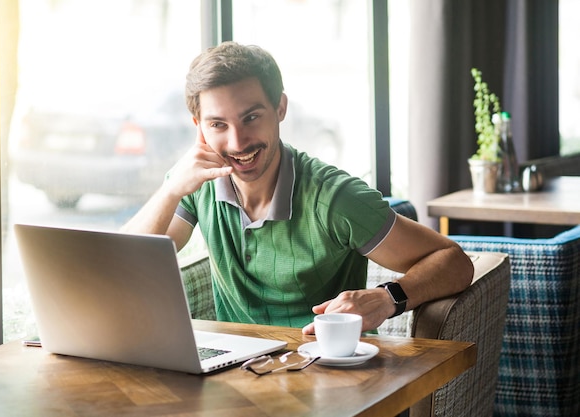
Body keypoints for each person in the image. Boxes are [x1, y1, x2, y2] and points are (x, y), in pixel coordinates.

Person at [122, 41, 474, 334]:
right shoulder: (197, 183)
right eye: (218, 124)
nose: (237, 141)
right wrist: (170, 190)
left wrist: (387, 297)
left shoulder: (335, 198)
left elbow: (455, 262)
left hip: (328, 375)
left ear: (280, 108)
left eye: (251, 117)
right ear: (198, 126)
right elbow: (125, 262)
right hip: (235, 377)